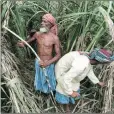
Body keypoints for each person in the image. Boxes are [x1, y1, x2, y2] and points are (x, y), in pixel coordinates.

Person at [17, 13, 61, 93]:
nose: (42, 23)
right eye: (42, 21)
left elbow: (58, 55)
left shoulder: (54, 38)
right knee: (40, 79)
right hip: (38, 61)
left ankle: (49, 94)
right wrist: (23, 44)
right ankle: (40, 92)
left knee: (48, 82)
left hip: (48, 63)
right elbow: (28, 41)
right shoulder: (38, 34)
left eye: (44, 22)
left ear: (50, 24)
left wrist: (48, 63)